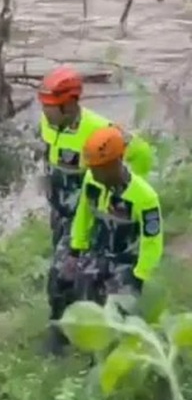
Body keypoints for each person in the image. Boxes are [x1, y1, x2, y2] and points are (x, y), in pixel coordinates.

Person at [37, 65, 155, 353]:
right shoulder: (48, 124)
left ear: (70, 103)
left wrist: (123, 193)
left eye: (51, 107)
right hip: (60, 214)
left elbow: (142, 154)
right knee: (73, 274)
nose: (45, 112)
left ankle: (64, 335)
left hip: (85, 215)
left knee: (62, 276)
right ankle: (82, 330)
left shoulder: (100, 130)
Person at [59, 126, 162, 311]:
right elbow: (84, 215)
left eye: (100, 169)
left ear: (117, 162)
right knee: (74, 297)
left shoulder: (145, 198)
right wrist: (75, 251)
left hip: (126, 263)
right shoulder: (92, 181)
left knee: (116, 312)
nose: (95, 174)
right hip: (97, 255)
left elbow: (152, 243)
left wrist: (139, 277)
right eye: (93, 169)